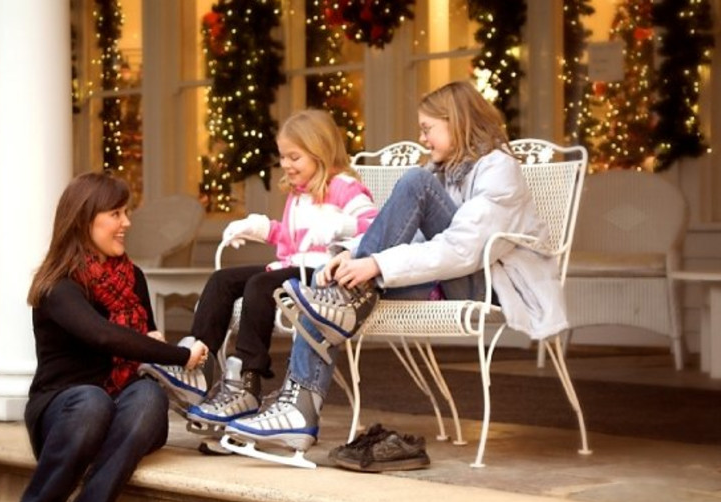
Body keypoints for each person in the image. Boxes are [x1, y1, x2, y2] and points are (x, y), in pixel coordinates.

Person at [222, 80, 569, 466]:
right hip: (442, 272)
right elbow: (408, 233)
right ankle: (299, 411)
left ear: (457, 122)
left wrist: (373, 264)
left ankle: (344, 307)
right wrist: (349, 256)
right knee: (326, 295)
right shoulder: (441, 170)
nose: (422, 139)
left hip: (488, 281)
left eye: (427, 128)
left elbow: (462, 249)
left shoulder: (497, 170)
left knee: (405, 194)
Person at [137, 108, 378, 442]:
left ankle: (246, 382)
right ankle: (193, 361)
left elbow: (374, 226)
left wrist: (343, 225)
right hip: (291, 265)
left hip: (321, 275)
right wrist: (262, 228)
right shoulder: (297, 194)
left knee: (259, 285)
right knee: (221, 281)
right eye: (283, 158)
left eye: (295, 157)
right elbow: (290, 240)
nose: (288, 165)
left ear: (320, 151)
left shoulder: (343, 187)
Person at [6, 172, 209, 502]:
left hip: (128, 416)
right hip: (66, 415)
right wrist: (181, 355)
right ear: (84, 219)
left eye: (126, 212)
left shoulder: (134, 279)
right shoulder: (58, 286)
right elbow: (104, 335)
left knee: (149, 395)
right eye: (116, 214)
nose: (126, 223)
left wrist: (153, 344)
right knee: (92, 400)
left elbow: (146, 342)